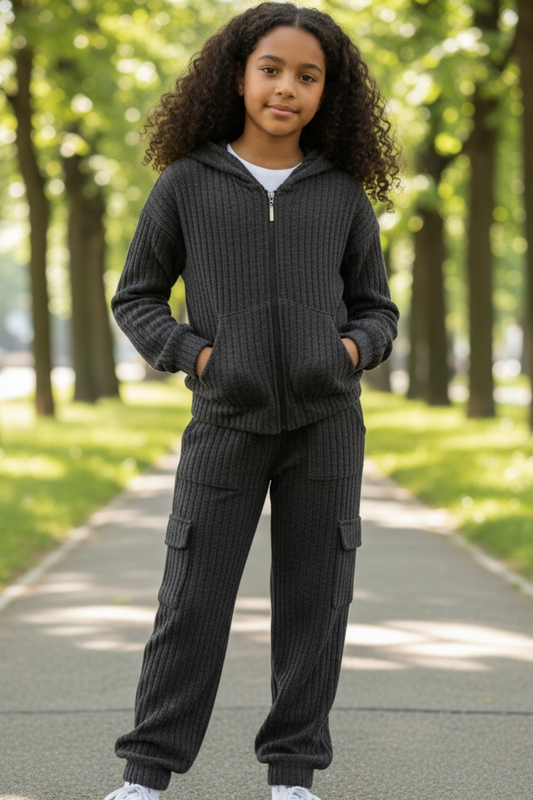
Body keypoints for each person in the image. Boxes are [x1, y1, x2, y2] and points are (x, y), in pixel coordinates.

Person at [105, 3, 400, 799]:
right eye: (270, 69)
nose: (286, 88)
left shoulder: (341, 194)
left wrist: (346, 351)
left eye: (307, 76)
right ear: (237, 76)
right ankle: (146, 775)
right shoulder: (185, 184)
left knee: (315, 603)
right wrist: (199, 357)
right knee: (191, 601)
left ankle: (293, 776)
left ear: (326, 93)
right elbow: (136, 297)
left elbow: (377, 310)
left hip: (325, 426)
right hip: (224, 422)